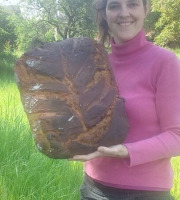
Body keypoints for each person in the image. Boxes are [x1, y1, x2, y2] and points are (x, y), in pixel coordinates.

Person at [71, 0, 180, 199]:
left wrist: (125, 151)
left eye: (132, 4)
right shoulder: (95, 65)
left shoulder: (165, 62)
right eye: (114, 6)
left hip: (146, 193)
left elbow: (177, 137)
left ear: (146, 9)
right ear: (104, 14)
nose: (124, 13)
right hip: (92, 189)